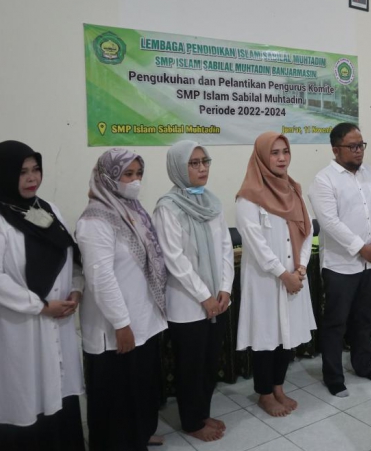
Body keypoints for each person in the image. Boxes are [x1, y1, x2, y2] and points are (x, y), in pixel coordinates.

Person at [0, 141, 85, 451]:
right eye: (22, 172)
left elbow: (69, 253)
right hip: (22, 326)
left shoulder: (46, 210)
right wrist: (41, 306)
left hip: (59, 318)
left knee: (60, 391)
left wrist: (76, 287)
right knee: (27, 397)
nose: (32, 178)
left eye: (36, 169)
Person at [77, 149, 168, 451]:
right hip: (115, 326)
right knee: (116, 393)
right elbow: (100, 277)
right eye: (127, 174)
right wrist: (121, 323)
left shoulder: (132, 210)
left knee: (140, 386)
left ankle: (139, 435)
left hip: (142, 317)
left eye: (138, 173)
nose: (135, 180)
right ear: (108, 176)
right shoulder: (95, 219)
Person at [153, 141, 234, 442]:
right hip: (187, 303)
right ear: (178, 167)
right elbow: (175, 259)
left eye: (205, 161)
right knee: (190, 365)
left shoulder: (212, 202)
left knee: (210, 362)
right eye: (193, 163)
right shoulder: (167, 208)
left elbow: (225, 248)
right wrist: (204, 296)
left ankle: (202, 412)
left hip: (218, 300)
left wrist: (225, 288)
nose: (202, 168)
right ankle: (191, 421)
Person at [309, 123, 371, 398]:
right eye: (352, 146)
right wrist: (361, 248)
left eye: (361, 145)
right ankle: (333, 376)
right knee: (336, 323)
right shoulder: (324, 180)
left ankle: (363, 365)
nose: (359, 151)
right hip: (340, 265)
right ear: (336, 149)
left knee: (364, 318)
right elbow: (329, 222)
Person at [236, 132, 316, 416]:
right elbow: (255, 244)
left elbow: (307, 230)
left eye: (285, 152)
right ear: (261, 156)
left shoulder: (293, 189)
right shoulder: (248, 197)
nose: (282, 158)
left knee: (287, 334)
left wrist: (301, 267)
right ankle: (265, 393)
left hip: (295, 276)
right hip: (266, 280)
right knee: (266, 336)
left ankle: (279, 386)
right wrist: (284, 274)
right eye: (274, 153)